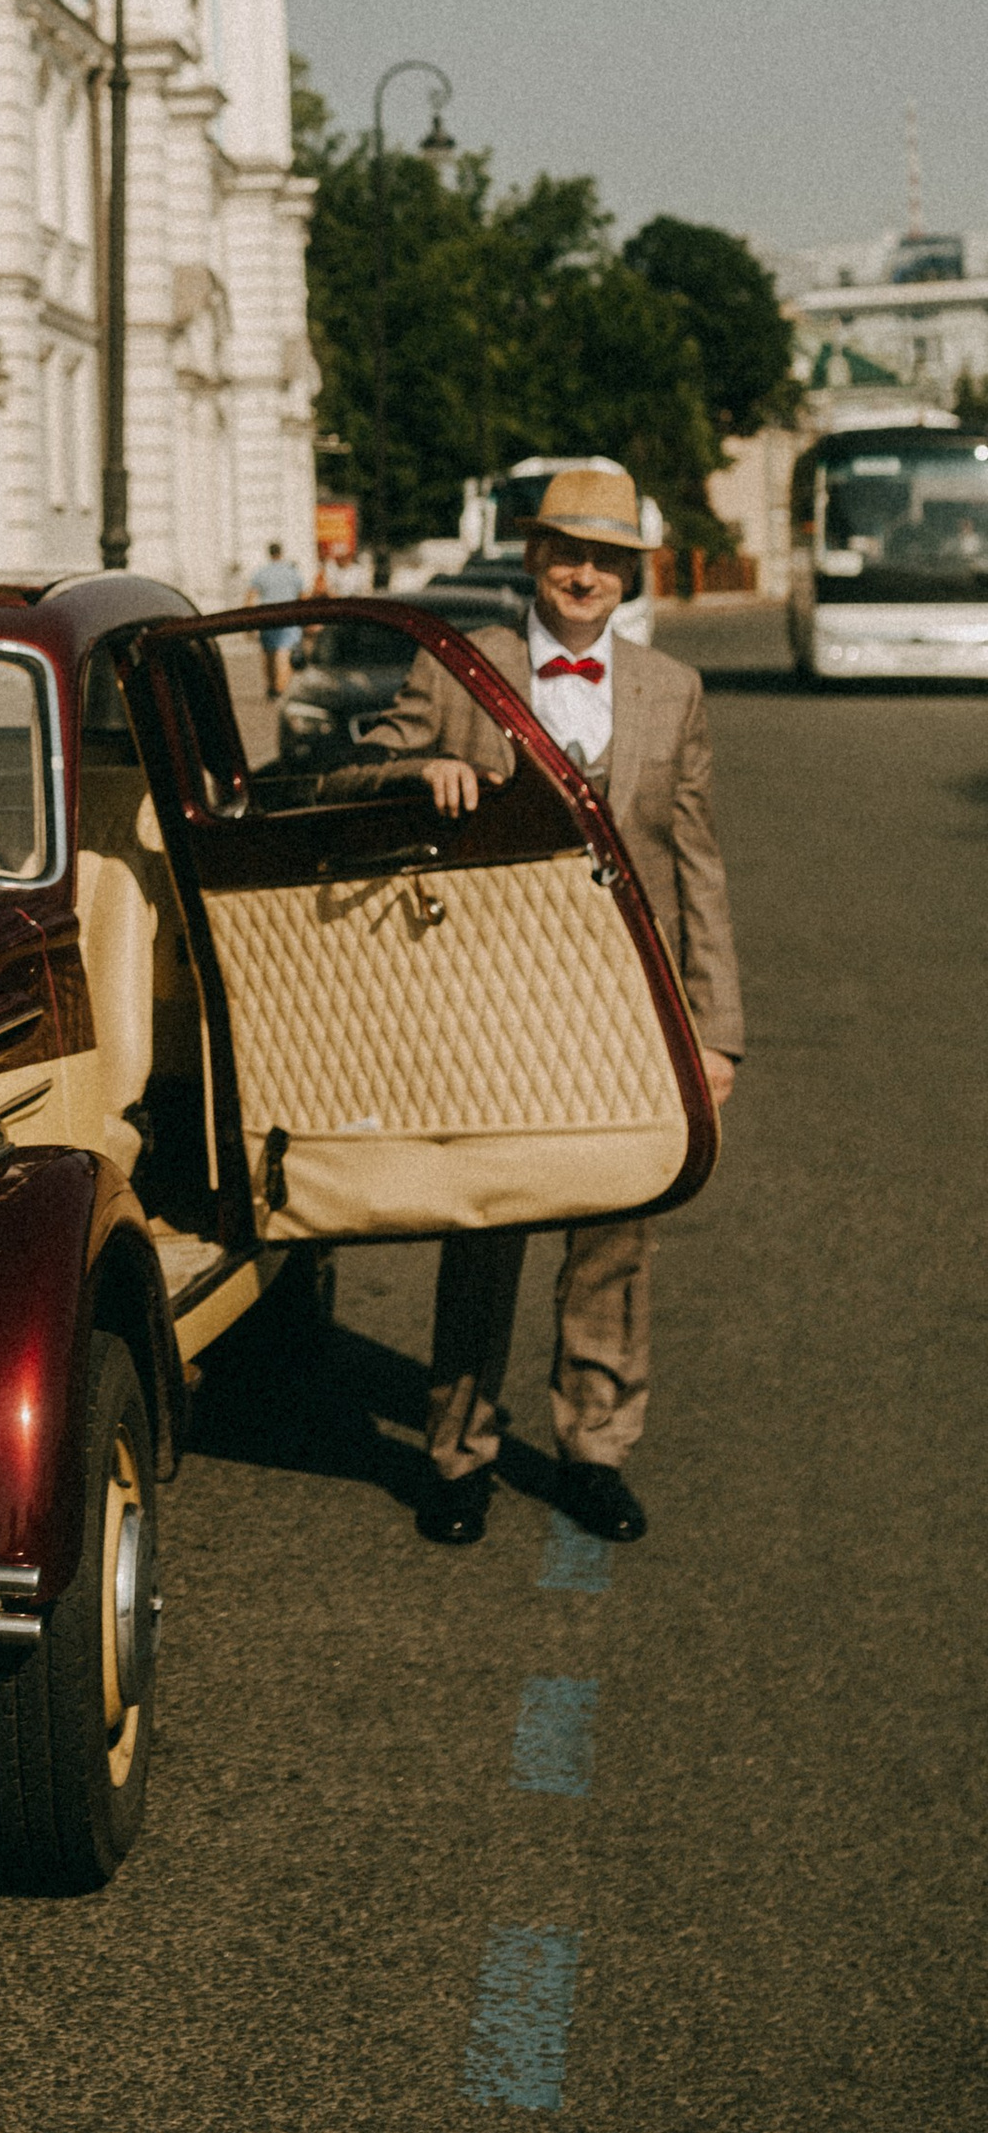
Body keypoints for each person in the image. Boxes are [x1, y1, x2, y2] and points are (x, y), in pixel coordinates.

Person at [354, 462, 741, 1549]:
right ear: (533, 560)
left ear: (627, 575)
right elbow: (353, 779)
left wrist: (716, 1036)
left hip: (632, 1012)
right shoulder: (460, 671)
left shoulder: (673, 692)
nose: (583, 574)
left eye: (604, 559)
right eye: (566, 553)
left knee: (617, 1236)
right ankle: (456, 1455)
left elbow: (697, 870)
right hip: (496, 1010)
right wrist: (420, 766)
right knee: (486, 1231)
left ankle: (594, 1452)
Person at [246, 538, 306, 695]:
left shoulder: (260, 572)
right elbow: (303, 596)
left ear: (269, 553)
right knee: (284, 652)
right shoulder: (292, 572)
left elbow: (250, 598)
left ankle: (271, 685)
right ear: (281, 552)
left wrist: (249, 623)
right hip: (289, 616)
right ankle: (281, 687)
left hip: (267, 616)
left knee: (269, 652)